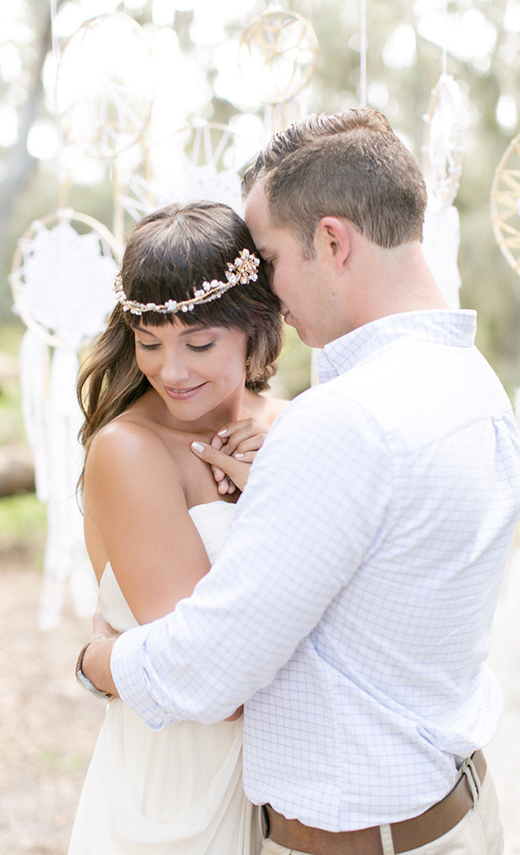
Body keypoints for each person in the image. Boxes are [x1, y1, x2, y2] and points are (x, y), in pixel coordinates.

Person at [81, 108, 520, 855]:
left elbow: (208, 668)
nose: (271, 288)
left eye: (273, 258)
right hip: (456, 809)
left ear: (331, 240)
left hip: (363, 836)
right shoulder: (474, 388)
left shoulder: (339, 422)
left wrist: (95, 661)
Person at [68, 200, 286, 854]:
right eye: (150, 344)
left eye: (199, 342)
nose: (173, 370)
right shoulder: (129, 450)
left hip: (288, 789)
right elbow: (209, 680)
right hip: (179, 794)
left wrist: (273, 480)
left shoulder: (288, 426)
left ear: (253, 326)